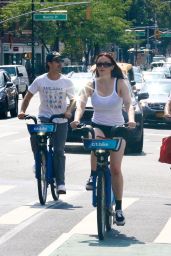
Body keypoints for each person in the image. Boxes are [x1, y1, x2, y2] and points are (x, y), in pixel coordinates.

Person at [70, 52, 136, 225]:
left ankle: (119, 208)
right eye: (99, 64)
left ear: (112, 67)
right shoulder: (90, 84)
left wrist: (131, 120)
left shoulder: (120, 83)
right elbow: (81, 103)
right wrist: (77, 118)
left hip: (117, 127)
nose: (102, 67)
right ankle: (93, 175)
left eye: (106, 64)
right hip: (98, 123)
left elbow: (128, 104)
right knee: (95, 138)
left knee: (115, 168)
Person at [18, 51, 75, 194]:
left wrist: (68, 111)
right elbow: (28, 96)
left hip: (61, 120)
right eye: (56, 61)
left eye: (60, 61)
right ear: (49, 63)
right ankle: (39, 160)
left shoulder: (66, 81)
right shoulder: (40, 80)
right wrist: (22, 111)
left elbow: (73, 99)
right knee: (35, 139)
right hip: (44, 118)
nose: (59, 64)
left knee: (59, 151)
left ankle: (61, 183)